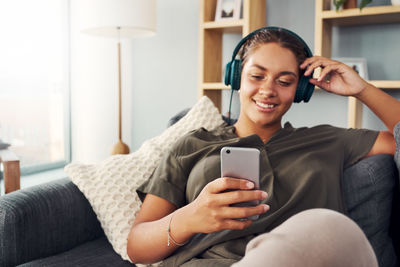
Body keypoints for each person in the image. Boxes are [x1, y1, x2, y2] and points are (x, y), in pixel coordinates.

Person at [126, 27, 399, 266]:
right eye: (257, 76)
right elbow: (137, 248)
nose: (268, 90)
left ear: (300, 90)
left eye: (284, 81)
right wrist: (189, 218)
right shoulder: (192, 144)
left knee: (334, 229)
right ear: (236, 78)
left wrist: (361, 89)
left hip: (300, 258)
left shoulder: (329, 140)